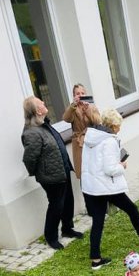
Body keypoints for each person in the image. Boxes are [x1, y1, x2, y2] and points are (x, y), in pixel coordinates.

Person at [81, 108, 139, 270]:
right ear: (112, 125)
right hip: (107, 186)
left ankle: (96, 259)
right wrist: (122, 165)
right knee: (132, 209)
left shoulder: (91, 138)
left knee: (97, 222)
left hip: (92, 187)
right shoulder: (109, 141)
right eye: (119, 125)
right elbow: (110, 169)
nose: (120, 128)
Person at [22, 96, 83, 250]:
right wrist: (39, 173)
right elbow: (29, 158)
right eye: (40, 103)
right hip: (51, 177)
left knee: (68, 200)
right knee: (56, 206)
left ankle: (67, 229)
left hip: (63, 170)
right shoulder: (32, 133)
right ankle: (51, 237)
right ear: (37, 110)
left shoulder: (44, 124)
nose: (44, 102)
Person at [62, 83, 95, 179]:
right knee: (83, 171)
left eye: (82, 93)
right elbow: (66, 118)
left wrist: (88, 110)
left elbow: (97, 121)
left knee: (93, 168)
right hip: (78, 141)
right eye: (77, 93)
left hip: (91, 139)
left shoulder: (91, 106)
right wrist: (73, 105)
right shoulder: (72, 108)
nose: (80, 95)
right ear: (74, 96)